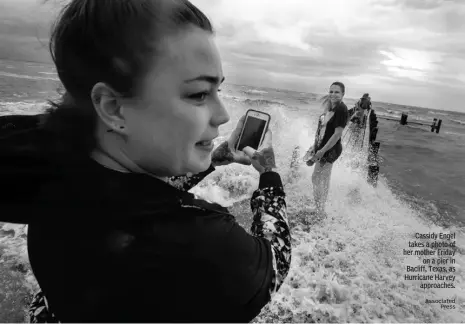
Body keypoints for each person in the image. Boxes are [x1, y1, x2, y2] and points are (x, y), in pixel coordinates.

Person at [0, 0, 292, 322]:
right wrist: (270, 178)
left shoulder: (50, 171)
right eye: (198, 94)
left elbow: (134, 194)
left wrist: (211, 162)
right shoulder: (198, 245)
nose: (222, 115)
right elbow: (272, 265)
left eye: (218, 90)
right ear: (114, 108)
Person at [304, 82, 349, 216]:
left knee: (317, 179)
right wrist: (314, 146)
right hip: (322, 147)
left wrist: (322, 151)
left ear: (343, 94)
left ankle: (320, 211)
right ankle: (320, 209)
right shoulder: (331, 106)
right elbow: (322, 130)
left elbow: (337, 134)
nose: (333, 94)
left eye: (337, 92)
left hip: (330, 150)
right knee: (321, 179)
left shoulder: (341, 109)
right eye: (331, 91)